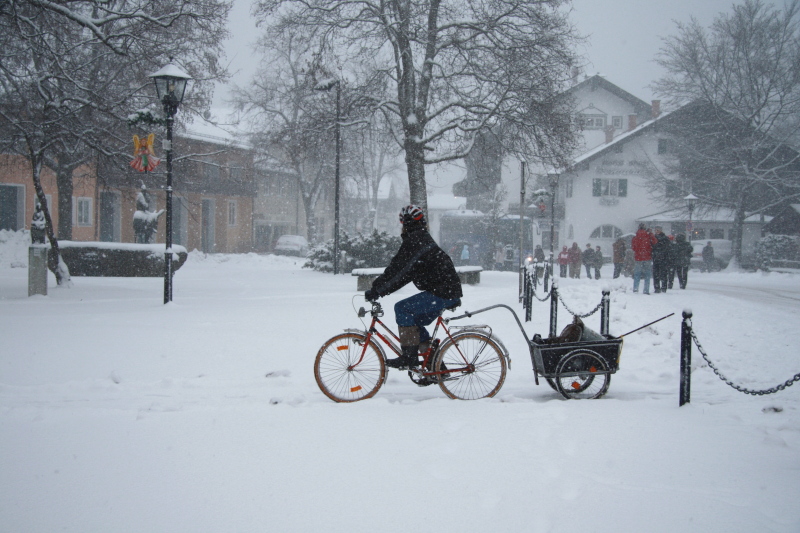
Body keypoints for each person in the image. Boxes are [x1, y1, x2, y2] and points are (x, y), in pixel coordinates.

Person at [364, 205, 462, 369]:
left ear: (405, 224)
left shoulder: (416, 241)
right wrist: (379, 288)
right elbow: (399, 270)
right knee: (414, 321)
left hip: (443, 293)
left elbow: (400, 272)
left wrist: (377, 290)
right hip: (445, 291)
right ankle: (435, 366)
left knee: (402, 308)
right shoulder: (419, 239)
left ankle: (409, 357)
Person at [631, 223, 657, 294]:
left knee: (637, 274)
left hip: (638, 257)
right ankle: (646, 290)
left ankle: (635, 289)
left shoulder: (635, 236)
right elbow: (655, 242)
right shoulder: (648, 235)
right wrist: (651, 233)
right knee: (647, 274)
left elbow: (633, 247)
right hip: (647, 257)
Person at [651, 226, 672, 293]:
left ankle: (663, 287)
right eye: (656, 230)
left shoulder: (664, 238)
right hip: (657, 258)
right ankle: (657, 287)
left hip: (662, 258)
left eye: (658, 230)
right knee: (657, 274)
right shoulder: (654, 238)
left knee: (663, 273)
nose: (657, 231)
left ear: (661, 230)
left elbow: (668, 248)